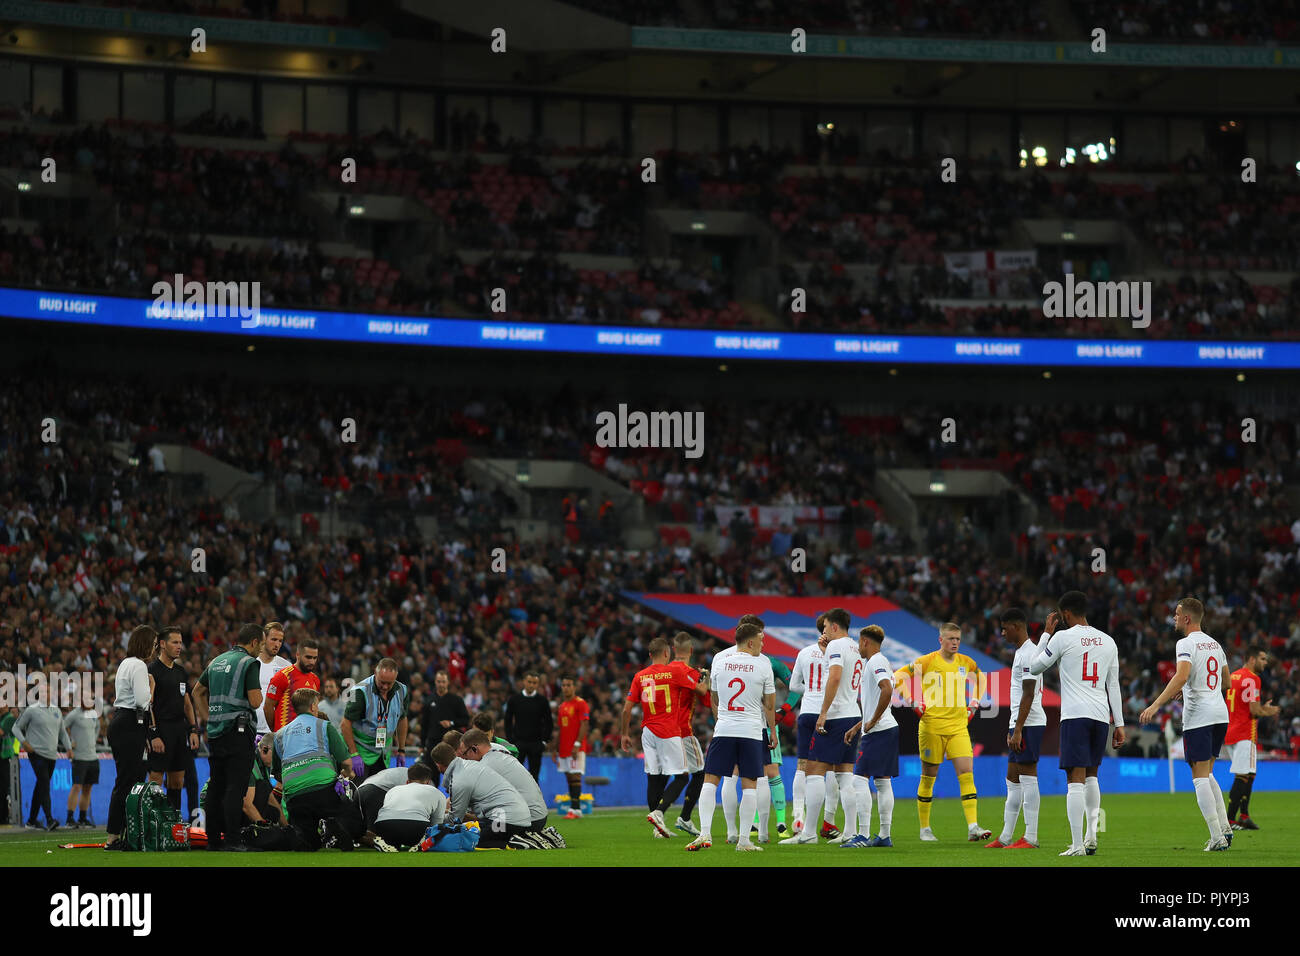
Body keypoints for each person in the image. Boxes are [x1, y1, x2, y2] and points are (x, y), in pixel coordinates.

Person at [1030, 590, 1126, 857]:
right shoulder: (1108, 641)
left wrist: (1046, 635)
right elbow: (1113, 685)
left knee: (1075, 779)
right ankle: (1091, 837)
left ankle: (1076, 845)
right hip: (1100, 716)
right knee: (1092, 775)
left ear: (1065, 614)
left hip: (1075, 716)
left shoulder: (1062, 637)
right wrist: (1119, 723)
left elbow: (1035, 667)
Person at [1139, 598, 1232, 851]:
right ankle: (1224, 827)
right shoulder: (1215, 644)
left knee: (1199, 777)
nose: (1174, 618)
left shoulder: (1185, 643)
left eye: (1177, 614)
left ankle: (1216, 837)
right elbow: (1226, 683)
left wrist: (1156, 705)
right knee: (1208, 773)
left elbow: (1180, 675)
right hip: (1219, 714)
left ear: (1187, 618)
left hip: (1199, 717)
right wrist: (1195, 685)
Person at [893, 621, 992, 842]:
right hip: (932, 727)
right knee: (929, 778)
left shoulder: (965, 662)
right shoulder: (926, 661)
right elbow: (898, 676)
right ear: (941, 640)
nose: (955, 643)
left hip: (958, 727)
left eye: (957, 639)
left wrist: (974, 702)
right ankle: (925, 829)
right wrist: (911, 701)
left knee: (967, 774)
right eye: (950, 639)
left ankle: (973, 826)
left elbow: (981, 677)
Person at [685, 621, 776, 852]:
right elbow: (769, 703)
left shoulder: (720, 661)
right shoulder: (763, 664)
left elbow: (714, 698)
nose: (763, 644)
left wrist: (724, 715)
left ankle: (705, 834)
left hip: (724, 728)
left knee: (711, 780)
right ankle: (744, 841)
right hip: (752, 731)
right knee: (749, 785)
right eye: (761, 640)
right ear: (751, 641)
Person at [784, 607, 861, 845]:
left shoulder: (835, 646)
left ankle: (807, 833)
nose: (824, 630)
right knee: (845, 775)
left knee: (814, 771)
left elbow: (835, 678)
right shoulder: (856, 648)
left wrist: (824, 712)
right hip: (852, 713)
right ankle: (849, 832)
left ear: (835, 627)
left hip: (835, 716)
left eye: (826, 626)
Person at [193, 622, 265, 852]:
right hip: (238, 731)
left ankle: (213, 840)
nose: (260, 650)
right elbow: (255, 701)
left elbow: (197, 692)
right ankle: (233, 840)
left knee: (216, 786)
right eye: (261, 645)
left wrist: (207, 718)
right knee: (236, 787)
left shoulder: (217, 661)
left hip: (216, 732)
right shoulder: (249, 663)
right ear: (254, 642)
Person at [622, 636, 698, 838]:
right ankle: (658, 813)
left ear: (649, 655)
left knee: (654, 778)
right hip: (668, 730)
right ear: (667, 653)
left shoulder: (640, 676)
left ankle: (657, 829)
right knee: (682, 777)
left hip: (648, 731)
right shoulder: (674, 671)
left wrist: (624, 734)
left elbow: (626, 710)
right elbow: (698, 687)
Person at [272, 688, 362, 851]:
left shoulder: (279, 735)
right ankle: (336, 823)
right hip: (324, 791)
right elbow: (347, 762)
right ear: (313, 706)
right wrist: (347, 775)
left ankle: (309, 839)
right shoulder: (324, 726)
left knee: (308, 843)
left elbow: (277, 772)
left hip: (294, 796)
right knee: (354, 819)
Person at [984, 608, 1044, 850]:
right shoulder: (1022, 652)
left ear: (1017, 627)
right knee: (1012, 780)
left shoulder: (1029, 653)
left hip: (1029, 723)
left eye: (1005, 628)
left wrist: (1018, 728)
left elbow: (1029, 693)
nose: (1002, 632)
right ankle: (1006, 836)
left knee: (1028, 778)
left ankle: (1031, 837)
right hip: (1019, 723)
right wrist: (1013, 726)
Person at [840, 624, 899, 849]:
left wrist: (872, 722)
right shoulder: (878, 662)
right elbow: (876, 699)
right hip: (884, 728)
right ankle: (884, 835)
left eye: (859, 642)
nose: (858, 647)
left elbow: (886, 690)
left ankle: (863, 835)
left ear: (865, 641)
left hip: (879, 730)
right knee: (882, 782)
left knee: (859, 779)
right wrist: (858, 726)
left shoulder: (875, 662)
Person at [461, 728, 564, 846]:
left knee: (476, 838)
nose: (465, 758)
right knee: (478, 827)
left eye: (465, 753)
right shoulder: (497, 748)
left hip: (527, 819)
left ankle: (528, 840)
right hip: (536, 815)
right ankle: (529, 836)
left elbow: (479, 804)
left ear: (475, 748)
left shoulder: (486, 766)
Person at [429, 742, 540, 849]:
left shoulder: (459, 780)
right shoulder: (470, 765)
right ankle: (516, 837)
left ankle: (522, 841)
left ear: (438, 765)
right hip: (515, 816)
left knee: (469, 839)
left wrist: (433, 819)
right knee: (470, 828)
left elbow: (454, 819)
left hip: (505, 819)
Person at [104, 625, 156, 850]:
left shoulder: (126, 663)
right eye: (153, 644)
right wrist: (152, 686)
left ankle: (123, 835)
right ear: (145, 644)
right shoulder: (139, 666)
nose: (154, 649)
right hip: (130, 722)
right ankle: (114, 837)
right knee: (128, 781)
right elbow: (143, 701)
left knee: (128, 780)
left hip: (124, 722)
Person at [788, 614, 840, 838]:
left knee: (802, 765)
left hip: (807, 711)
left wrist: (810, 691)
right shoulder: (838, 652)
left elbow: (793, 685)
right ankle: (829, 821)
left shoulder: (804, 652)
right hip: (830, 713)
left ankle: (798, 814)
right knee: (831, 768)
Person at [652, 631, 708, 836]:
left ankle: (661, 818)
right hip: (683, 731)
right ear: (691, 650)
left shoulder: (663, 672)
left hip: (661, 730)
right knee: (699, 773)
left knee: (676, 775)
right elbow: (707, 701)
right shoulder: (692, 674)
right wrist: (706, 679)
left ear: (673, 650)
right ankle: (682, 817)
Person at [1224, 643, 1280, 830]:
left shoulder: (1233, 676)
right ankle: (1230, 820)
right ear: (1252, 659)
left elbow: (1240, 704)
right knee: (1242, 775)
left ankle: (1244, 815)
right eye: (1263, 658)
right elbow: (1254, 710)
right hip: (1244, 732)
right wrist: (1268, 710)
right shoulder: (1253, 679)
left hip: (1231, 731)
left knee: (1249, 773)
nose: (1266, 662)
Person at [147, 625, 199, 813]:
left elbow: (187, 703)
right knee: (156, 781)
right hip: (161, 730)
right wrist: (153, 734)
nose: (179, 646)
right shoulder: (152, 670)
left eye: (180, 643)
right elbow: (147, 705)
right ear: (162, 644)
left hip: (179, 731)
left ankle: (172, 823)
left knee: (177, 782)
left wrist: (193, 729)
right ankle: (152, 823)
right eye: (174, 642)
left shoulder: (180, 671)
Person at [13, 677, 72, 831]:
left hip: (52, 755)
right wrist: (24, 743)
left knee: (41, 785)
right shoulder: (31, 710)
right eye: (44, 691)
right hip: (36, 753)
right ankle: (49, 819)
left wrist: (69, 748)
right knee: (44, 783)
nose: (47, 693)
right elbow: (16, 728)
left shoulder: (56, 711)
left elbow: (63, 733)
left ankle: (31, 821)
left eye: (49, 691)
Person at [341, 658, 410, 781]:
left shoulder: (402, 690)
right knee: (358, 795)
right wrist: (354, 754)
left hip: (383, 753)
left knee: (378, 794)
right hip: (360, 751)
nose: (385, 686)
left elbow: (402, 719)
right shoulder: (358, 691)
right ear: (375, 673)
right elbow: (345, 724)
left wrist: (401, 749)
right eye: (382, 682)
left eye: (389, 683)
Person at [372, 763, 447, 849]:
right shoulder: (437, 793)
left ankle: (387, 843)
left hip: (383, 827)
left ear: (407, 781)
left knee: (392, 837)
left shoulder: (393, 790)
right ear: (428, 782)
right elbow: (436, 826)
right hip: (416, 829)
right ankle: (421, 843)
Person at [419, 669, 469, 784]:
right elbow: (424, 725)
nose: (441, 684)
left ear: (448, 682)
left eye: (443, 681)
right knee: (431, 775)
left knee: (455, 776)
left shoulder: (456, 700)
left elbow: (465, 720)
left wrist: (451, 723)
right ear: (435, 682)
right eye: (438, 681)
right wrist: (422, 745)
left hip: (451, 744)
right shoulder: (428, 701)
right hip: (433, 743)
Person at [264, 636, 321, 732]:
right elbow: (268, 706)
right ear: (298, 655)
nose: (312, 661)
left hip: (305, 736)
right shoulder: (282, 676)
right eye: (308, 657)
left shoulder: (315, 680)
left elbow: (314, 709)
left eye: (314, 658)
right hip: (285, 736)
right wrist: (276, 730)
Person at [551, 676, 589, 820]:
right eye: (564, 685)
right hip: (564, 748)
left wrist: (577, 744)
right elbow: (560, 729)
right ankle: (575, 808)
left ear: (574, 687)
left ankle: (575, 809)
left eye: (569, 685)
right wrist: (555, 748)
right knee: (568, 776)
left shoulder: (580, 703)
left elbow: (584, 724)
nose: (566, 687)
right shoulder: (562, 706)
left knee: (575, 776)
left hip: (576, 748)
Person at [503, 671, 552, 780]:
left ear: (537, 684)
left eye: (534, 683)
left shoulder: (543, 701)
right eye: (529, 682)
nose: (531, 685)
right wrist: (511, 740)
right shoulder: (514, 699)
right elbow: (507, 720)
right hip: (518, 743)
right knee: (515, 776)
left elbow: (549, 722)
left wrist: (544, 741)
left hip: (536, 743)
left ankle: (534, 798)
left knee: (535, 777)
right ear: (524, 682)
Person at [63, 701, 102, 828]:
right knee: (77, 787)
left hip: (93, 756)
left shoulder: (93, 714)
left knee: (87, 788)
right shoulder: (73, 715)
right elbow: (61, 728)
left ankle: (82, 818)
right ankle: (69, 819)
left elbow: (97, 728)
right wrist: (69, 744)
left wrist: (92, 741)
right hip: (79, 757)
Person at [254, 622, 292, 735]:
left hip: (277, 730)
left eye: (280, 641)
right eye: (274, 639)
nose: (277, 644)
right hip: (252, 728)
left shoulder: (286, 667)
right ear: (264, 639)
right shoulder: (250, 663)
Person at [356, 765, 410, 832]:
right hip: (374, 791)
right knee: (375, 833)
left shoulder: (404, 771)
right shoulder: (413, 780)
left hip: (359, 790)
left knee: (361, 829)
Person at [0, 707, 16, 824]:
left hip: (4, 757)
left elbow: (1, 732)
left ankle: (4, 816)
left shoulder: (9, 718)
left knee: (3, 788)